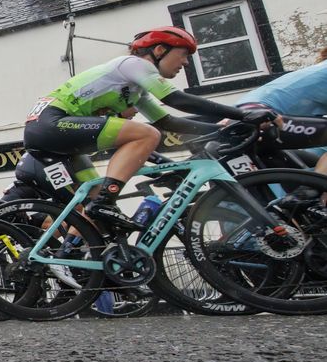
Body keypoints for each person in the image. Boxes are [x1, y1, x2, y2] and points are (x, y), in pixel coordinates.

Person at [23, 26, 274, 227]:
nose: (185, 63)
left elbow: (168, 122)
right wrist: (242, 115)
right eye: (184, 54)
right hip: (51, 122)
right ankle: (105, 200)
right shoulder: (133, 65)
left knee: (95, 212)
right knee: (145, 136)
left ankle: (88, 257)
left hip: (53, 135)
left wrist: (218, 130)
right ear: (160, 49)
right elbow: (176, 100)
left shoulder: (136, 91)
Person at [235, 47, 327, 175]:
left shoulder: (321, 69)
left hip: (248, 111)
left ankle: (310, 187)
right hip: (263, 113)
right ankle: (309, 191)